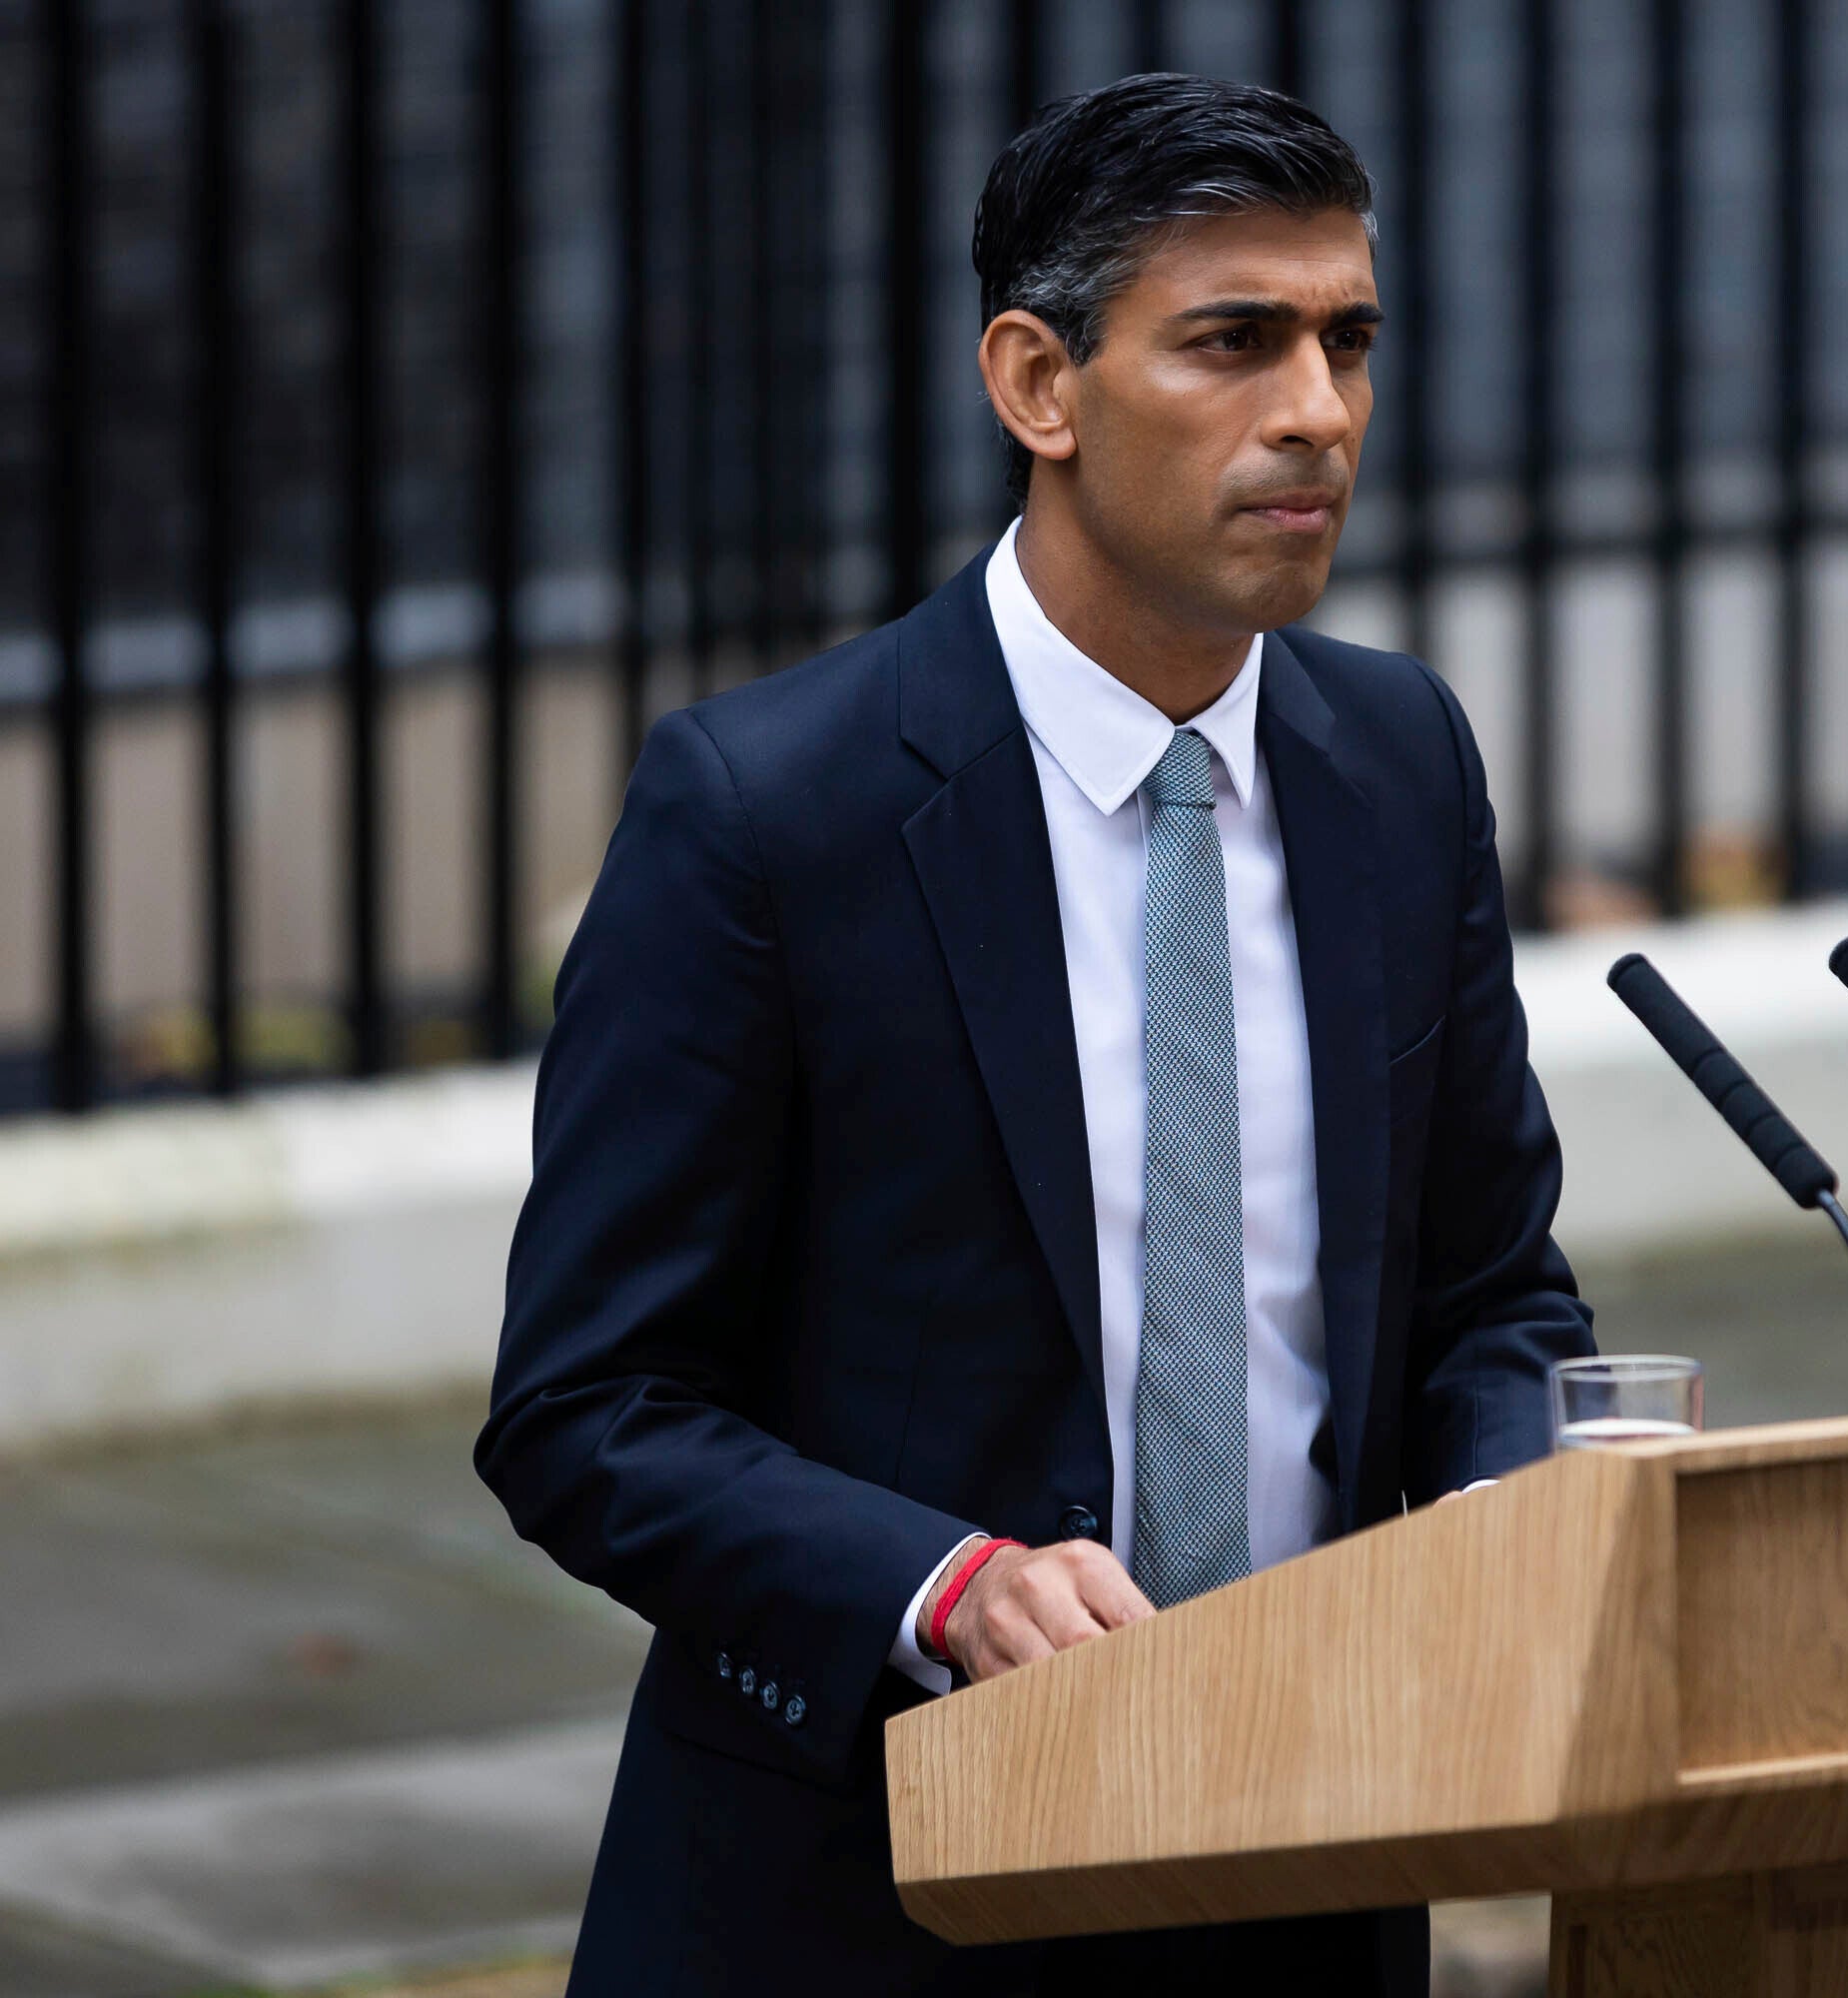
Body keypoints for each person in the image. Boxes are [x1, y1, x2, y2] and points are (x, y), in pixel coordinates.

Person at [477, 72, 1594, 1995]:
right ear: (1039, 386)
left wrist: (1506, 1511)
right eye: (1233, 343)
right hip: (875, 1887)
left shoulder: (1398, 765)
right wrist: (945, 1585)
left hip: (1309, 1857)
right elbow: (589, 1412)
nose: (1316, 412)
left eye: (1349, 342)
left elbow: (1492, 1294)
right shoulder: (768, 814)